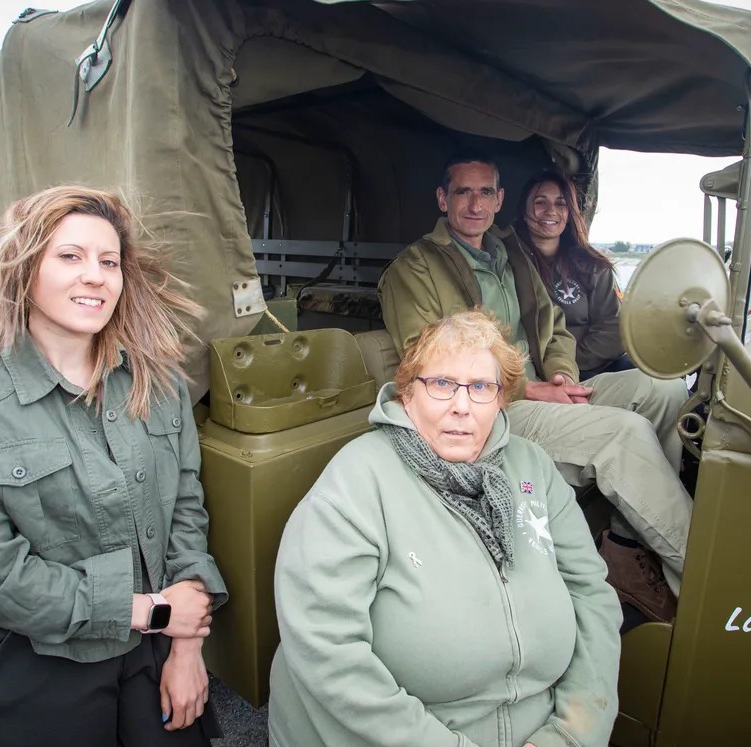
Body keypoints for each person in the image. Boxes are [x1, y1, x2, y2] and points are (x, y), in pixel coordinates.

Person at [0, 186, 226, 747]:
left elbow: (186, 509)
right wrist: (149, 611)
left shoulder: (159, 383)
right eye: (69, 256)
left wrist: (189, 647)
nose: (95, 276)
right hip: (48, 660)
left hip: (160, 649)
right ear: (24, 270)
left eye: (109, 262)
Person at [269, 311, 622, 747]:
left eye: (480, 387)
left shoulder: (532, 469)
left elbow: (591, 595)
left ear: (501, 399)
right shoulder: (357, 482)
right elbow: (326, 652)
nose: (461, 404)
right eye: (441, 384)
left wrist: (571, 734)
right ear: (407, 393)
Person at [378, 149, 692, 622]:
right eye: (463, 191)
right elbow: (432, 363)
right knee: (624, 433)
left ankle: (630, 545)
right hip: (489, 409)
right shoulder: (417, 267)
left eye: (486, 192)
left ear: (501, 199)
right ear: (443, 199)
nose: (475, 203)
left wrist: (562, 373)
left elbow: (554, 326)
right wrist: (527, 387)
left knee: (661, 390)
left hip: (543, 387)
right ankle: (705, 579)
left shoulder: (508, 254)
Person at [510, 169, 632, 379]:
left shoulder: (592, 266)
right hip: (531, 372)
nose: (551, 211)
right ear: (523, 210)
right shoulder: (507, 261)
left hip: (589, 368)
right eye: (540, 202)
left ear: (569, 213)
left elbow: (613, 330)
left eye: (561, 203)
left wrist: (565, 367)